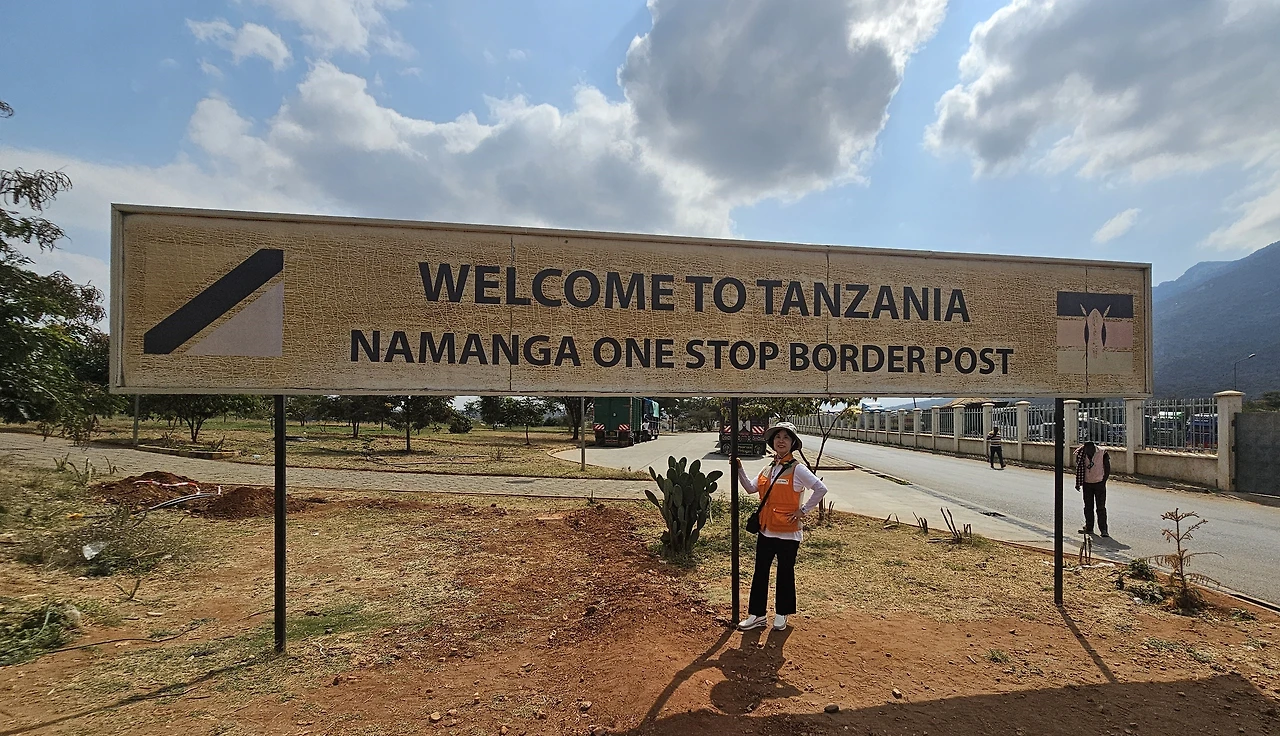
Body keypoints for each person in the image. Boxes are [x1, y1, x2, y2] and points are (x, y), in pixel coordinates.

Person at [733, 421, 829, 632]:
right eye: (777, 437)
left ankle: (781, 614)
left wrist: (803, 511)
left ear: (793, 442)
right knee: (760, 573)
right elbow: (750, 488)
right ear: (772, 442)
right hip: (766, 530)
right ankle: (757, 614)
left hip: (788, 533)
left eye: (786, 437)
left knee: (785, 574)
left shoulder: (798, 469)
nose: (781, 441)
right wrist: (739, 469)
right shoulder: (768, 468)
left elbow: (820, 489)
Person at [1074, 440, 1111, 537]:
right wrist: (1078, 483)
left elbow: (1107, 467)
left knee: (1101, 508)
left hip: (1099, 483)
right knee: (1088, 507)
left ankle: (1104, 530)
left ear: (1094, 448)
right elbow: (1079, 468)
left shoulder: (1102, 453)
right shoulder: (1081, 453)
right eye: (1086, 450)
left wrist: (1104, 481)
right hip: (1087, 484)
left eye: (1090, 449)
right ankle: (1089, 527)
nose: (1088, 452)